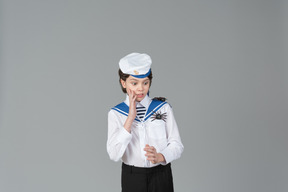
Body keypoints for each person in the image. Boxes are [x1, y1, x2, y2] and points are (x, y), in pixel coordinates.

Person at [107, 52, 184, 192]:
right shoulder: (116, 114)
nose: (140, 88)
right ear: (123, 83)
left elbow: (177, 145)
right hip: (132, 177)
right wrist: (130, 119)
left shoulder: (163, 108)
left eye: (145, 82)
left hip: (161, 174)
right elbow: (113, 154)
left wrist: (161, 156)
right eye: (134, 83)